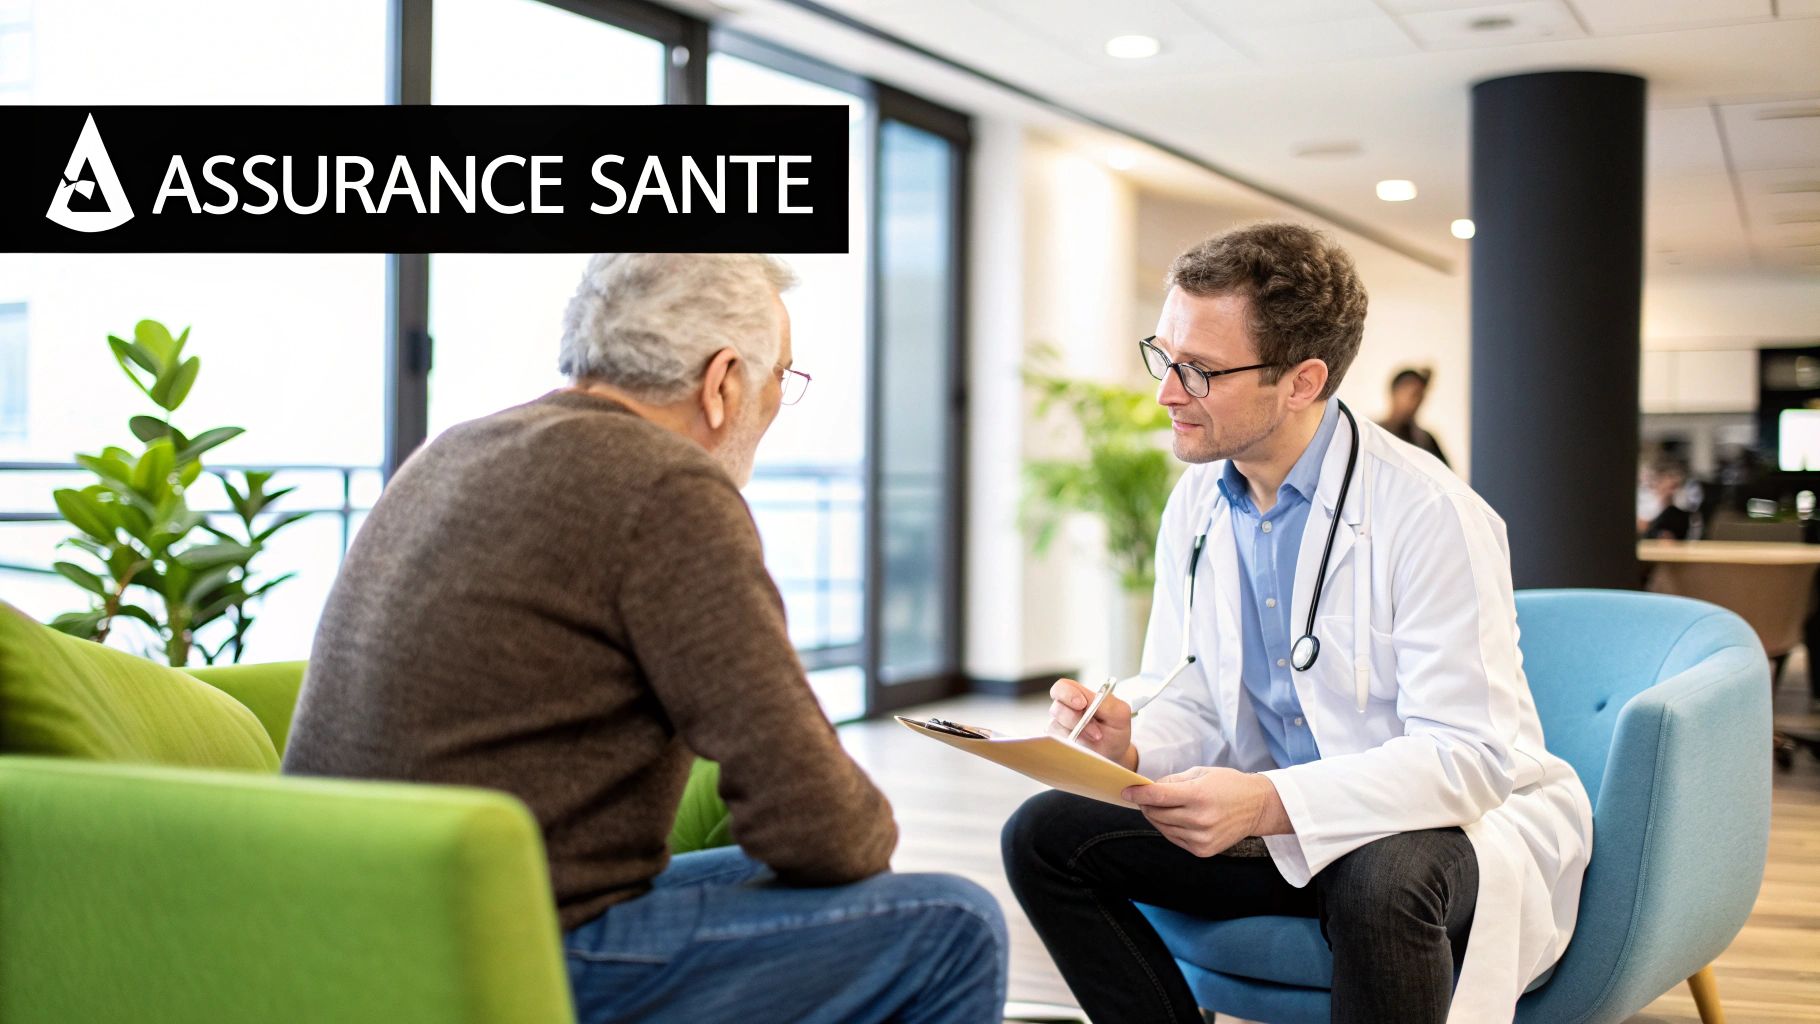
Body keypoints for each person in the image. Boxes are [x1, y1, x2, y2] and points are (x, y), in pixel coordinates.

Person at [283, 253, 1007, 1024]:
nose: (773, 405)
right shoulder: (665, 486)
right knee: (954, 925)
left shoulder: (455, 449)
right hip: (502, 953)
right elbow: (818, 826)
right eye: (780, 379)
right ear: (723, 380)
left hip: (341, 932)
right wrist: (861, 827)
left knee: (746, 875)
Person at [1001, 223, 1592, 1023]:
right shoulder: (1200, 502)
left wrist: (1266, 803)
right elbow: (1196, 693)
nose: (1165, 393)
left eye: (1200, 372)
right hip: (1268, 825)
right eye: (1163, 355)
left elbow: (1471, 759)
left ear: (1303, 381)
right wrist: (1128, 739)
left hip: (1429, 828)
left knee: (1382, 883)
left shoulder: (1431, 513)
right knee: (1043, 836)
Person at [1378, 366, 1450, 466]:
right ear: (1395, 393)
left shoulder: (1426, 440)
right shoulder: (1375, 433)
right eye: (1413, 395)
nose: (1416, 402)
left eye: (1420, 396)